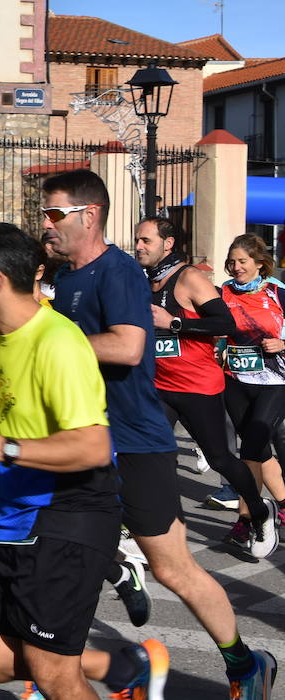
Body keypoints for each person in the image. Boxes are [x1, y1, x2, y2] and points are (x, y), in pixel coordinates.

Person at [43, 170, 275, 697]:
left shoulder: (118, 271)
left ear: (89, 215)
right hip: (83, 440)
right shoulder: (68, 278)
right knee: (50, 550)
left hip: (135, 442)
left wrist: (51, 344)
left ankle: (243, 663)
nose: (46, 224)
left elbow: (126, 347)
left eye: (55, 214)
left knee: (175, 569)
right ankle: (65, 669)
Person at [0, 222, 168, 700]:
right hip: (15, 512)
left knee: (52, 673)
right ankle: (121, 664)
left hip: (70, 513)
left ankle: (106, 669)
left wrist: (4, 450)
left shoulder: (59, 343)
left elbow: (91, 446)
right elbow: (23, 424)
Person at [134, 219, 276, 558]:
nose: (138, 246)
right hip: (159, 384)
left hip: (197, 386)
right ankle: (152, 530)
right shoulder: (145, 281)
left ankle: (259, 511)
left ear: (167, 244)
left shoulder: (190, 278)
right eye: (137, 240)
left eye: (145, 240)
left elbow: (224, 323)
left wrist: (175, 323)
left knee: (220, 459)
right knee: (147, 454)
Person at [218, 233, 285, 556]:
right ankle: (283, 504)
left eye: (242, 261)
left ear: (259, 262)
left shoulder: (277, 291)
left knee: (252, 447)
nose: (235, 267)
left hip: (274, 380)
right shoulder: (223, 292)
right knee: (256, 451)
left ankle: (248, 517)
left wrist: (283, 344)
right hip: (235, 379)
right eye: (231, 262)